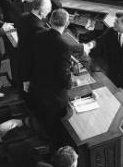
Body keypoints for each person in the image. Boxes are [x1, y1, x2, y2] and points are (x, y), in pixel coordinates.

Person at [88, 10, 123, 137]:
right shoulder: (111, 32)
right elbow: (100, 40)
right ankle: (114, 130)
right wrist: (91, 44)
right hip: (113, 75)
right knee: (113, 102)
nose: (114, 23)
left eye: (117, 22)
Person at [29, 9, 73, 148]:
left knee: (43, 121)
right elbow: (63, 77)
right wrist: (71, 82)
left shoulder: (38, 35)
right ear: (66, 24)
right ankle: (56, 150)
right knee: (56, 130)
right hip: (54, 97)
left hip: (37, 88)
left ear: (50, 20)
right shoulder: (64, 46)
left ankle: (45, 141)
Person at [16, 0, 52, 94]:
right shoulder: (39, 28)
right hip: (32, 65)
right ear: (42, 11)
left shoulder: (22, 16)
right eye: (48, 10)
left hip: (20, 57)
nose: (48, 13)